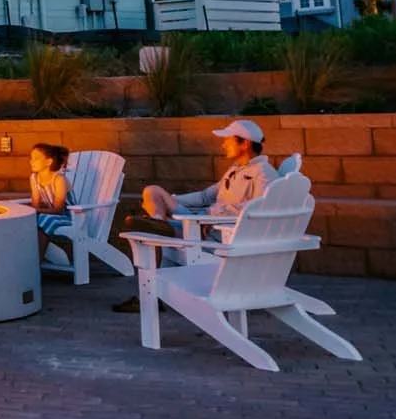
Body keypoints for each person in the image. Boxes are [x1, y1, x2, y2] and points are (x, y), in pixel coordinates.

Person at [113, 119, 275, 312]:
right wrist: (172, 200)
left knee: (155, 239)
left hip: (215, 234)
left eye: (228, 140)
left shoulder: (264, 173)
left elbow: (260, 206)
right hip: (200, 222)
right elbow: (205, 196)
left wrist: (213, 214)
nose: (224, 144)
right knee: (153, 192)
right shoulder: (235, 170)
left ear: (245, 143)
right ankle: (158, 221)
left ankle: (150, 296)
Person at [28, 142, 72, 260]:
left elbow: (58, 210)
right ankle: (26, 258)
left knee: (43, 218)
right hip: (49, 215)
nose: (31, 161)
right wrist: (31, 212)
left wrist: (35, 211)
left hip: (71, 217)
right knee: (27, 220)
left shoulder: (58, 179)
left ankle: (36, 262)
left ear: (49, 161)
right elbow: (35, 203)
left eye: (36, 158)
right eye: (31, 158)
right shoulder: (34, 178)